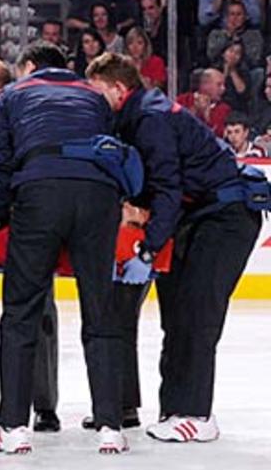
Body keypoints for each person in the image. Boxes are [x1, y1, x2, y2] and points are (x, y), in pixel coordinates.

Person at [87, 53, 265, 443]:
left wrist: (148, 250)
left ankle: (197, 414)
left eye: (97, 91)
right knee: (179, 315)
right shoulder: (136, 117)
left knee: (199, 314)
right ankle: (176, 410)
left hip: (225, 217)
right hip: (198, 218)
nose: (92, 100)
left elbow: (168, 188)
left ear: (118, 88)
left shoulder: (150, 119)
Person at [0, 41, 129, 454]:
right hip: (98, 196)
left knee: (21, 312)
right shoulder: (94, 96)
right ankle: (111, 426)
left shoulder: (13, 94)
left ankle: (13, 426)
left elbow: (4, 166)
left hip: (40, 191)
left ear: (29, 67)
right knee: (101, 312)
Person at [0, 57, 61, 434]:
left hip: (27, 224)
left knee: (40, 313)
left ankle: (45, 405)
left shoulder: (31, 121)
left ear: (3, 93)